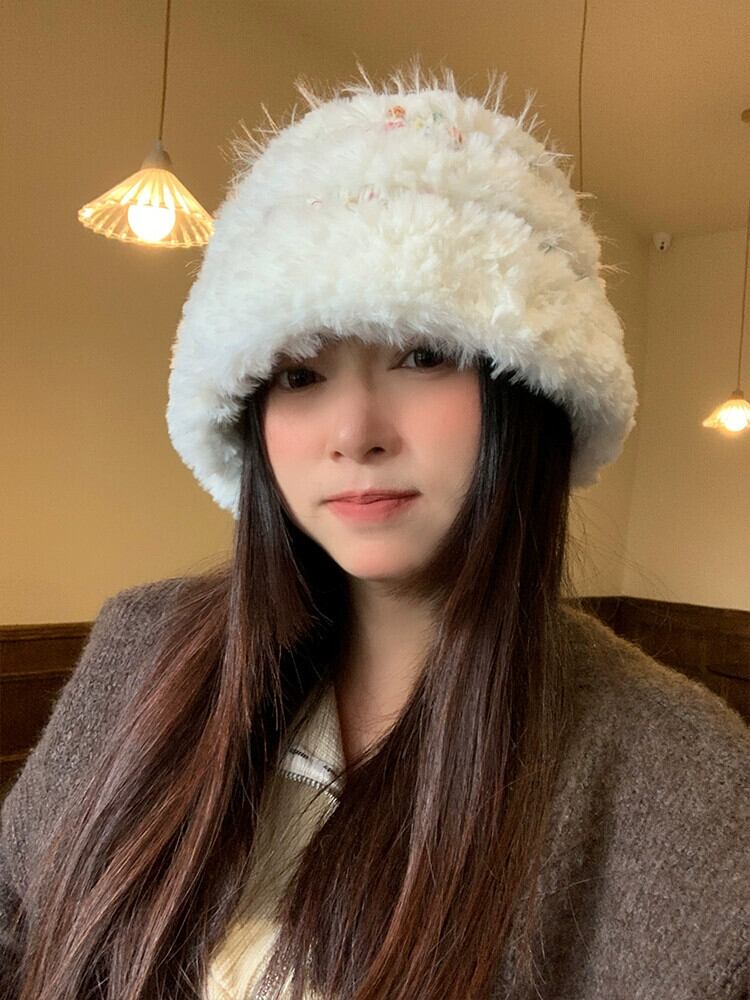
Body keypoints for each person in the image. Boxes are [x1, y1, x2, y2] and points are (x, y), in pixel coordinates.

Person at [1, 60, 748, 1000]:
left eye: (424, 355)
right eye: (300, 375)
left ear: (531, 389)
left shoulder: (682, 783)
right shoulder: (142, 652)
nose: (354, 434)